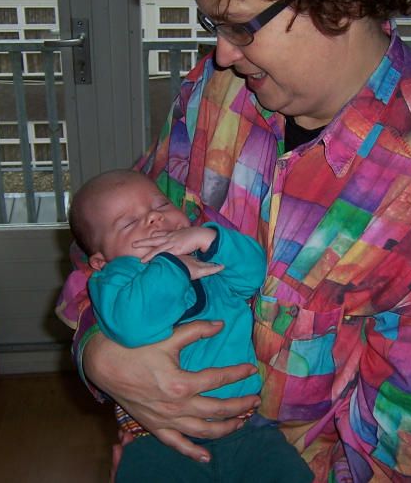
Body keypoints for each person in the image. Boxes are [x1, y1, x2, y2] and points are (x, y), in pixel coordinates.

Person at [56, 0, 411, 480]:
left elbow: (410, 468)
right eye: (214, 25)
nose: (223, 53)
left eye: (239, 26)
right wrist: (101, 356)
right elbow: (100, 247)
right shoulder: (218, 92)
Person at [64, 169, 314, 482]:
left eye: (161, 205)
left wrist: (208, 238)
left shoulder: (206, 259)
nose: (154, 218)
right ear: (101, 261)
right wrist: (174, 267)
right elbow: (133, 324)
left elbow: (253, 275)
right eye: (128, 223)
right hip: (159, 439)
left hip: (247, 428)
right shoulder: (114, 280)